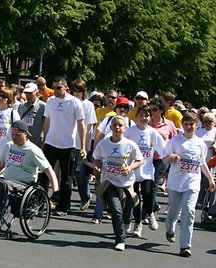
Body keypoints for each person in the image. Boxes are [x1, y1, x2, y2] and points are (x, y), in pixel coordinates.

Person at [0, 120, 59, 230]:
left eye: (18, 135)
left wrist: (56, 191)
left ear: (26, 134)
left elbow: (49, 170)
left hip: (24, 184)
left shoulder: (33, 150)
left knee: (5, 185)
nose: (14, 138)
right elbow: (1, 163)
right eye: (12, 135)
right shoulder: (9, 146)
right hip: (7, 180)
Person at [162, 112, 216, 257]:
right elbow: (164, 160)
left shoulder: (200, 143)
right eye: (185, 124)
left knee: (189, 211)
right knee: (174, 212)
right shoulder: (175, 141)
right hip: (175, 182)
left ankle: (185, 246)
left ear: (196, 125)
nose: (188, 127)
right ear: (182, 125)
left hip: (192, 183)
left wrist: (210, 178)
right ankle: (170, 227)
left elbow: (202, 163)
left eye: (191, 124)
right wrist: (171, 157)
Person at [93, 116, 144, 251]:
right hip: (109, 182)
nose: (117, 128)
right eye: (114, 125)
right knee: (116, 211)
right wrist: (96, 167)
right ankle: (120, 240)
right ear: (110, 127)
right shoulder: (103, 144)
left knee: (127, 212)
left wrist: (130, 168)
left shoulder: (130, 145)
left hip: (126, 184)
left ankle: (127, 222)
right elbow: (96, 158)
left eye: (120, 125)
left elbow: (140, 160)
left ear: (125, 128)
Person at [39, 76, 85, 216]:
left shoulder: (75, 102)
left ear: (66, 88)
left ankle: (63, 207)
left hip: (67, 146)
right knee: (44, 175)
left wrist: (82, 146)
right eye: (54, 87)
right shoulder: (51, 101)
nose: (56, 90)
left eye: (59, 87)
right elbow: (47, 121)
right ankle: (41, 204)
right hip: (51, 144)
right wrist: (45, 139)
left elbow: (81, 125)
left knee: (66, 179)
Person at [123, 105, 165, 237]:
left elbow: (163, 151)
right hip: (132, 170)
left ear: (150, 117)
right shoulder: (130, 132)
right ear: (136, 117)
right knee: (134, 198)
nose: (143, 118)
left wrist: (172, 158)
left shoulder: (153, 133)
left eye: (146, 115)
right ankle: (137, 223)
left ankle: (150, 213)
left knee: (147, 194)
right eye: (140, 115)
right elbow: (122, 146)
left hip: (147, 170)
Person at [70, 79, 97, 210]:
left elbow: (90, 127)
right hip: (68, 143)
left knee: (80, 172)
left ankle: (85, 197)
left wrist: (85, 147)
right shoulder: (69, 103)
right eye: (74, 91)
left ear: (83, 92)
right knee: (69, 173)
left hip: (82, 144)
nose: (76, 93)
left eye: (79, 91)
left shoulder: (88, 105)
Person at [0, 87, 20, 167]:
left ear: (9, 99)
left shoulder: (13, 113)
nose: (0, 98)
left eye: (4, 97)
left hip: (7, 151)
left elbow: (18, 131)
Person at [17, 82, 45, 147]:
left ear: (36, 92)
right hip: (23, 141)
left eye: (30, 93)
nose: (28, 95)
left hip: (36, 141)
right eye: (26, 93)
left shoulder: (43, 106)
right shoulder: (21, 106)